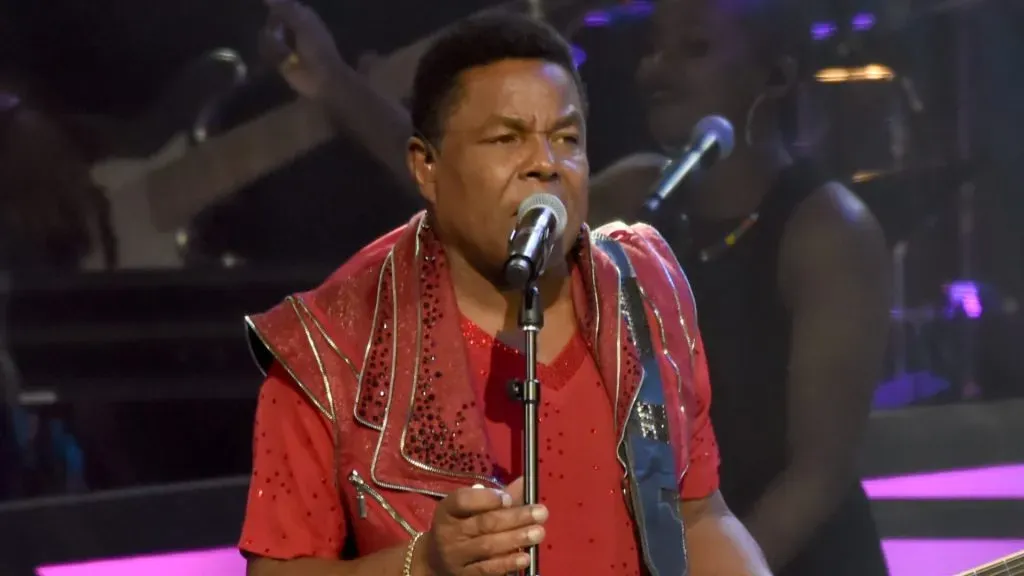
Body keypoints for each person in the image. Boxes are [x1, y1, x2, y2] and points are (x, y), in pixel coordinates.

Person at [239, 13, 770, 576]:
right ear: (426, 167)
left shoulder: (642, 292)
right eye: (507, 138)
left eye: (567, 138)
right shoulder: (328, 345)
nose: (546, 164)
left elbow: (698, 515)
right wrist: (425, 565)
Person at [589, 1, 893, 574]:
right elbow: (474, 204)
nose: (655, 69)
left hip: (792, 558)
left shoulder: (828, 229)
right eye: (653, 48)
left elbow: (816, 478)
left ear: (773, 76)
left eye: (694, 48)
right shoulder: (635, 198)